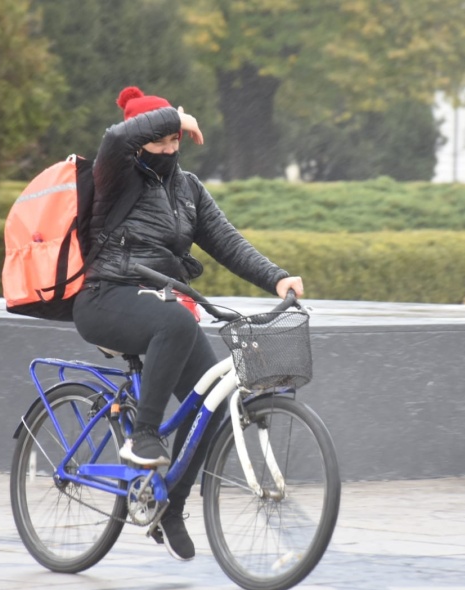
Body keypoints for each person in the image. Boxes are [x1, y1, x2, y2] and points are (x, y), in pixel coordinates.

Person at [72, 86, 304, 561]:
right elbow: (117, 135)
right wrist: (173, 114)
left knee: (212, 409)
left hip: (159, 305)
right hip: (105, 297)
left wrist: (278, 280)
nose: (172, 147)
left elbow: (227, 241)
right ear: (144, 141)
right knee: (175, 322)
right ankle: (143, 436)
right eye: (163, 139)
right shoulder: (115, 173)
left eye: (176, 139)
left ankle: (170, 506)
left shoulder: (187, 188)